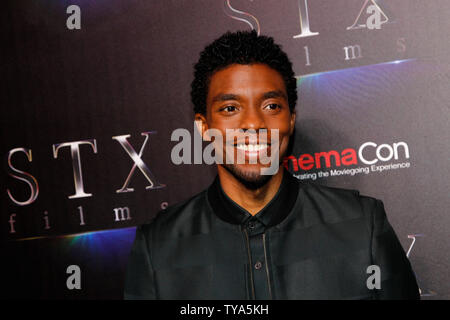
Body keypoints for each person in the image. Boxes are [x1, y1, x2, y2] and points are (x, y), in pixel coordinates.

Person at [123, 30, 420, 300]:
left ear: (290, 119)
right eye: (230, 108)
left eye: (271, 106)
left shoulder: (362, 224)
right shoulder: (159, 247)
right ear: (203, 126)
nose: (253, 123)